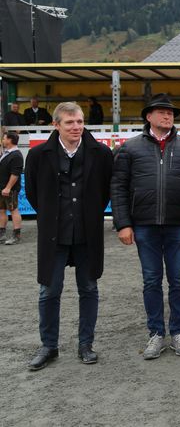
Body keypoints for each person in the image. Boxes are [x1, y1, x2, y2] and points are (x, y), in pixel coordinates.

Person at [111, 93, 180, 360]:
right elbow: (118, 188)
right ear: (148, 116)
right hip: (144, 226)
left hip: (179, 226)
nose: (168, 115)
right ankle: (155, 333)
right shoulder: (130, 148)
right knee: (151, 281)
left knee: (178, 280)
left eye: (171, 112)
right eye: (162, 111)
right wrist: (123, 224)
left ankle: (178, 332)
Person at [24, 102, 113, 370]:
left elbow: (105, 191)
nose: (76, 127)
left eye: (79, 122)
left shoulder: (102, 154)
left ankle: (86, 344)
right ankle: (49, 346)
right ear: (56, 125)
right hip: (54, 235)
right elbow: (33, 194)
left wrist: (88, 214)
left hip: (88, 234)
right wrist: (53, 216)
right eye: (69, 123)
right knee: (49, 291)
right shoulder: (38, 155)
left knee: (89, 289)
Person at [0, 131, 24, 245]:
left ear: (10, 140)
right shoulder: (6, 153)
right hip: (2, 187)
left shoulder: (16, 155)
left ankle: (16, 235)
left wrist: (8, 187)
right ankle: (2, 234)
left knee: (13, 210)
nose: (3, 140)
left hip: (10, 188)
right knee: (2, 210)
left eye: (4, 138)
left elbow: (15, 173)